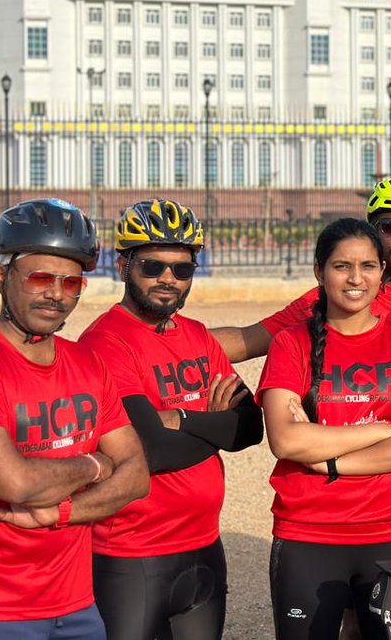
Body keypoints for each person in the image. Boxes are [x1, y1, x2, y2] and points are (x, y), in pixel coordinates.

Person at [0, 198, 148, 639]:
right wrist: (95, 464)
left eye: (72, 282)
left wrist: (61, 512)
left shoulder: (88, 364)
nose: (56, 293)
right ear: (0, 276)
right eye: (40, 277)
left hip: (76, 604)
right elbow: (15, 483)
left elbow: (137, 477)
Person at [78, 199, 264, 640]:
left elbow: (251, 427)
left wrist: (178, 418)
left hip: (203, 547)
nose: (168, 279)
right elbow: (151, 451)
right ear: (123, 265)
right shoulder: (105, 343)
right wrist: (211, 420)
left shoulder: (198, 335)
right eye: (153, 266)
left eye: (182, 270)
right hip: (131, 554)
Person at [257, 218, 391, 640]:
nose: (356, 278)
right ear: (319, 272)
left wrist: (332, 463)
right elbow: (286, 440)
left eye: (368, 266)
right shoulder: (292, 343)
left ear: (381, 272)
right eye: (342, 266)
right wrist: (382, 428)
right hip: (309, 534)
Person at [215, 176, 391, 373]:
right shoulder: (337, 297)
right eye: (390, 227)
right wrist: (178, 338)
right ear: (371, 231)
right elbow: (248, 339)